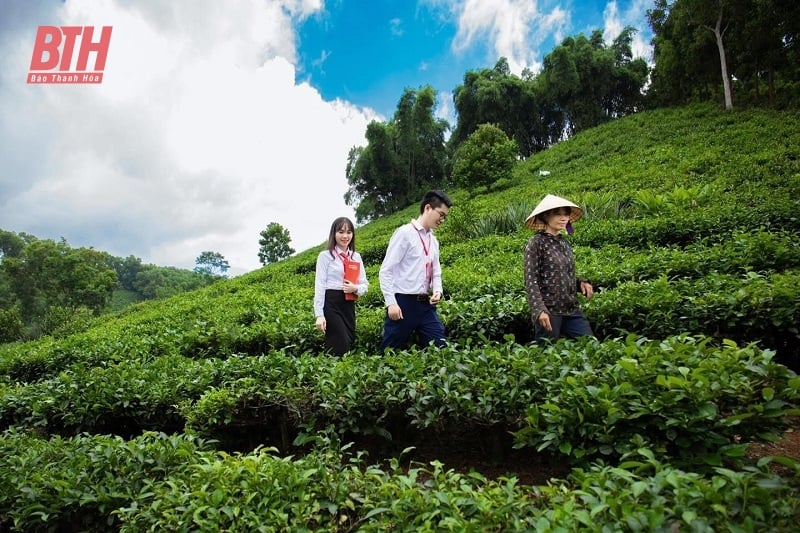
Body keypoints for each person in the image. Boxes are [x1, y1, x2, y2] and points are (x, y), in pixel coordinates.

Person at [379, 190, 452, 350]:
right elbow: (386, 271)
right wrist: (391, 303)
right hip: (403, 303)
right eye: (441, 214)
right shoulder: (405, 233)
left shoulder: (433, 240)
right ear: (428, 208)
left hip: (425, 305)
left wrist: (438, 290)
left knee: (440, 346)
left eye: (445, 216)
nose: (442, 220)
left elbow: (436, 271)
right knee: (390, 351)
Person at [523, 194, 594, 345]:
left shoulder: (564, 243)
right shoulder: (536, 243)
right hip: (549, 311)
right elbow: (531, 279)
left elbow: (563, 274)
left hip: (571, 309)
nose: (563, 218)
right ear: (546, 216)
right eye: (558, 213)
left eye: (566, 213)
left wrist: (580, 283)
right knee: (547, 355)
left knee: (590, 344)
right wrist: (539, 310)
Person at [314, 217, 369, 356]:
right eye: (341, 232)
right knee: (340, 343)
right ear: (334, 234)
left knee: (347, 341)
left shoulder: (356, 257)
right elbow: (319, 285)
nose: (345, 236)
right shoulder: (325, 256)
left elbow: (365, 284)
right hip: (331, 303)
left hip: (348, 303)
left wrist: (355, 288)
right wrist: (319, 315)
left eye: (349, 232)